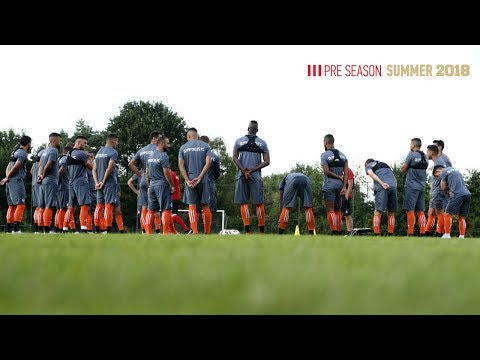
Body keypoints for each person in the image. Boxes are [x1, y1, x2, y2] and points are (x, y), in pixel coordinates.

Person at [232, 120, 270, 234]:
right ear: (257, 130)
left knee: (244, 203)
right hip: (256, 176)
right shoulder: (262, 143)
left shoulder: (238, 141)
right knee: (259, 203)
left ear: (248, 129)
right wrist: (252, 170)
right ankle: (262, 232)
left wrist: (244, 170)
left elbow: (234, 158)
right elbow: (267, 161)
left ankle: (248, 231)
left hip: (241, 175)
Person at [178, 128, 212, 234]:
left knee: (192, 205)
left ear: (188, 136)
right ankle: (207, 232)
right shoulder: (206, 146)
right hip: (203, 180)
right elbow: (208, 163)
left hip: (190, 180)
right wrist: (200, 177)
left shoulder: (183, 147)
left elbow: (181, 165)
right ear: (197, 135)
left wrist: (187, 180)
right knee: (205, 205)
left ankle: (195, 231)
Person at [129, 131, 161, 235]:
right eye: (160, 139)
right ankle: (157, 231)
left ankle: (144, 230)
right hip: (153, 179)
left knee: (144, 206)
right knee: (155, 207)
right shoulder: (158, 150)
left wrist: (140, 174)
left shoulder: (141, 150)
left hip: (143, 180)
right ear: (154, 139)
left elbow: (131, 164)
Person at [0, 135, 32, 233]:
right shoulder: (22, 153)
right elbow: (16, 166)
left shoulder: (15, 152)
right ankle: (16, 229)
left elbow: (8, 167)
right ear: (29, 143)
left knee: (12, 205)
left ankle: (9, 229)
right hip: (16, 180)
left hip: (10, 181)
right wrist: (7, 177)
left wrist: (6, 177)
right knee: (21, 204)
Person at [145, 136, 175, 235]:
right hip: (162, 185)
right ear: (162, 144)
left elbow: (147, 172)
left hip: (152, 185)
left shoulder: (150, 156)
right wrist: (172, 185)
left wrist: (149, 185)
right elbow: (166, 172)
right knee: (166, 209)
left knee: (150, 210)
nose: (169, 145)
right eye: (168, 143)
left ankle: (148, 233)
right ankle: (165, 233)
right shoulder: (164, 156)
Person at [320, 134, 349, 235]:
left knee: (330, 209)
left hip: (329, 185)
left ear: (325, 142)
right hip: (340, 186)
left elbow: (326, 172)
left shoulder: (324, 155)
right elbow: (347, 173)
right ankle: (339, 230)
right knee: (338, 209)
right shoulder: (343, 155)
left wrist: (337, 177)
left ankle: (334, 231)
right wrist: (344, 186)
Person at [64, 135, 93, 233]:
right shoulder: (81, 153)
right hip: (81, 182)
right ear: (79, 142)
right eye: (84, 143)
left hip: (71, 182)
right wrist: (90, 158)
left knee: (71, 207)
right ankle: (83, 229)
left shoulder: (69, 153)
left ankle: (64, 228)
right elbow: (91, 167)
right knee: (85, 205)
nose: (86, 145)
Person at [434, 165, 471, 239]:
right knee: (461, 217)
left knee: (447, 213)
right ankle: (462, 236)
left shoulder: (444, 172)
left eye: (437, 176)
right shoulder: (454, 169)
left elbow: (443, 187)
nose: (438, 178)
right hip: (467, 194)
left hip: (457, 194)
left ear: (438, 171)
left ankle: (447, 235)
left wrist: (448, 189)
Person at [401, 138, 428, 236]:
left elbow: (403, 169)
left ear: (413, 145)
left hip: (411, 186)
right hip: (422, 186)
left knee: (410, 210)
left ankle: (410, 233)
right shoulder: (425, 156)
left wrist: (405, 166)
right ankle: (422, 232)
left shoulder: (411, 154)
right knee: (420, 211)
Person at [93, 133, 119, 234]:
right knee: (109, 206)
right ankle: (108, 230)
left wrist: (97, 182)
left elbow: (94, 169)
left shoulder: (99, 152)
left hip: (98, 183)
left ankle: (96, 229)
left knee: (99, 206)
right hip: (109, 183)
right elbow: (110, 167)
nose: (117, 143)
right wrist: (103, 181)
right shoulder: (113, 152)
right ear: (113, 141)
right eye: (117, 141)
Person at [37, 132, 62, 233]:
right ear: (54, 140)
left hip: (43, 181)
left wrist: (40, 175)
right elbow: (49, 164)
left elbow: (40, 165)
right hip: (50, 180)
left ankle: (40, 229)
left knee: (42, 206)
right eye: (60, 140)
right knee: (49, 205)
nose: (61, 142)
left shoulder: (44, 151)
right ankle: (47, 230)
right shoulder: (54, 150)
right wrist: (43, 175)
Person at [365, 159, 398, 236]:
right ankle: (390, 233)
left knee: (378, 211)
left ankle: (376, 233)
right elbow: (394, 177)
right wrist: (394, 186)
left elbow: (372, 174)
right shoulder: (385, 164)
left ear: (367, 164)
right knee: (391, 212)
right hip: (393, 186)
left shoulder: (368, 165)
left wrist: (382, 183)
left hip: (383, 187)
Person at [425, 144, 448, 236]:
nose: (426, 154)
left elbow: (443, 177)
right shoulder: (438, 162)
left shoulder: (439, 163)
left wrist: (444, 189)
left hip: (438, 191)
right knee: (431, 212)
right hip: (434, 191)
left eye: (427, 152)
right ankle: (426, 232)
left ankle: (440, 233)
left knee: (439, 211)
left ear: (431, 153)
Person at [200, 135, 221, 213]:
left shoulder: (196, 155)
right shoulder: (214, 156)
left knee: (196, 206)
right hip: (210, 183)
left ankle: (195, 225)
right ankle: (208, 225)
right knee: (210, 207)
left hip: (198, 183)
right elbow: (217, 173)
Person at [56, 142, 73, 233]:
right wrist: (56, 182)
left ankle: (58, 228)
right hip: (64, 187)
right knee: (64, 208)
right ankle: (62, 229)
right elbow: (61, 171)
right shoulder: (66, 159)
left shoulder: (59, 158)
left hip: (59, 187)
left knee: (60, 209)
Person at [170, 168, 191, 234]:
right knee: (171, 215)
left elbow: (170, 185)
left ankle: (186, 229)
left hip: (172, 197)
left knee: (171, 214)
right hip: (176, 197)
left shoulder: (170, 174)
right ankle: (172, 231)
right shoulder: (174, 174)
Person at [30, 148, 44, 233]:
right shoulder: (45, 153)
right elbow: (42, 166)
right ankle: (40, 228)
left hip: (34, 184)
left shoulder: (36, 158)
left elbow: (31, 170)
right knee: (41, 206)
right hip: (40, 183)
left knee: (37, 207)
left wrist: (35, 177)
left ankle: (36, 228)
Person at [341, 167, 355, 233]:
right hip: (336, 196)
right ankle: (337, 231)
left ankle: (350, 232)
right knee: (337, 214)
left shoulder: (348, 170)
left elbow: (350, 185)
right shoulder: (334, 170)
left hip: (345, 196)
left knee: (347, 214)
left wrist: (346, 197)